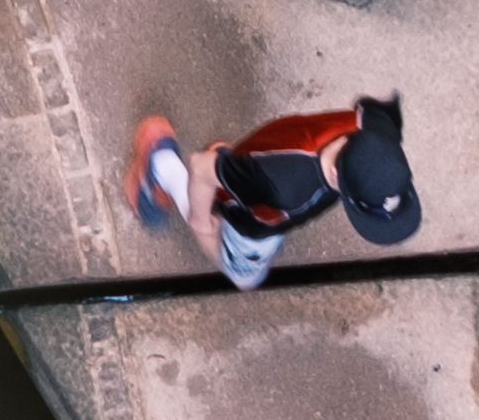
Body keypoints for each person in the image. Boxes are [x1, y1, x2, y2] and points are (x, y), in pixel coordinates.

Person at [123, 97, 424, 290]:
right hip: (254, 205)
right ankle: (161, 165)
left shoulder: (376, 126)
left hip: (259, 165)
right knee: (243, 274)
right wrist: (200, 221)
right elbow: (202, 168)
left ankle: (228, 167)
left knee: (235, 176)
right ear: (336, 175)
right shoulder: (289, 189)